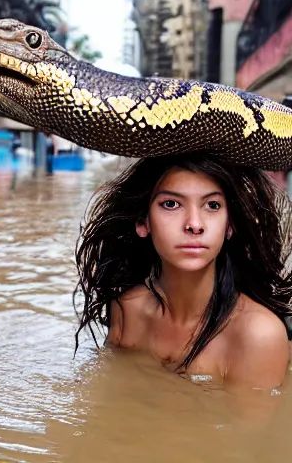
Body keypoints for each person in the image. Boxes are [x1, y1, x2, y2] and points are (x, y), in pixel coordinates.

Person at [73, 151, 292, 392]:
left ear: (230, 225)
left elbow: (249, 430)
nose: (194, 224)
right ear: (142, 221)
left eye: (212, 205)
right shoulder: (127, 309)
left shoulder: (257, 336)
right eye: (171, 204)